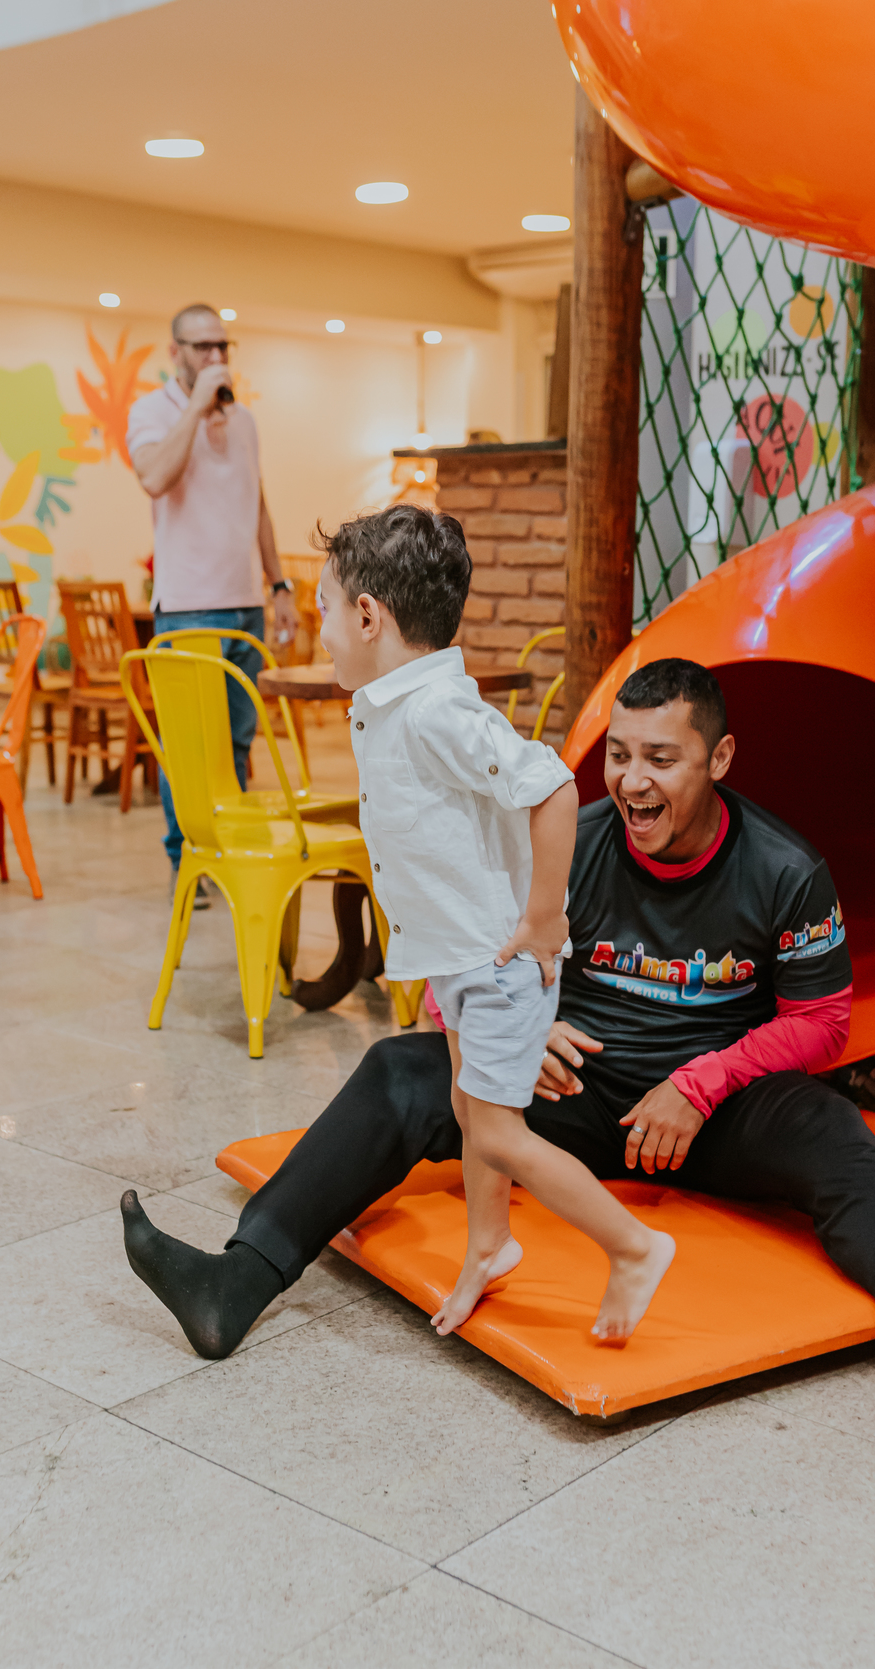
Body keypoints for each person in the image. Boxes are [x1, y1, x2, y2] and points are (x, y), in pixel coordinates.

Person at [120, 657, 875, 1451]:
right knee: (400, 1071)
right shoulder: (568, 843)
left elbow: (823, 1022)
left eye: (661, 758)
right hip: (569, 1087)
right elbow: (461, 970)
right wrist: (515, 1034)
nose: (631, 780)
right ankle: (236, 1281)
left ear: (720, 758)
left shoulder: (785, 870)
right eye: (619, 754)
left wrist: (702, 1084)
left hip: (710, 1109)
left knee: (835, 1132)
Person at [313, 505, 675, 1340]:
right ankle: (489, 1245)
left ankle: (632, 1246)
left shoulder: (438, 711)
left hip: (504, 962)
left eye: (325, 607)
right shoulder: (393, 699)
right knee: (469, 1106)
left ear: (369, 616)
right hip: (464, 960)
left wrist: (544, 921)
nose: (321, 627)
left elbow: (553, 788)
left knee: (500, 1132)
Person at [126, 302, 298, 900]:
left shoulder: (246, 421)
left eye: (223, 346)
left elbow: (260, 507)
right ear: (175, 353)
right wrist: (196, 407)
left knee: (238, 742)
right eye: (202, 347)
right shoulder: (150, 413)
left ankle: (230, 849)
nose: (216, 357)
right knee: (189, 748)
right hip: (188, 608)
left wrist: (279, 587)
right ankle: (188, 861)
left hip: (245, 603)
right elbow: (153, 478)